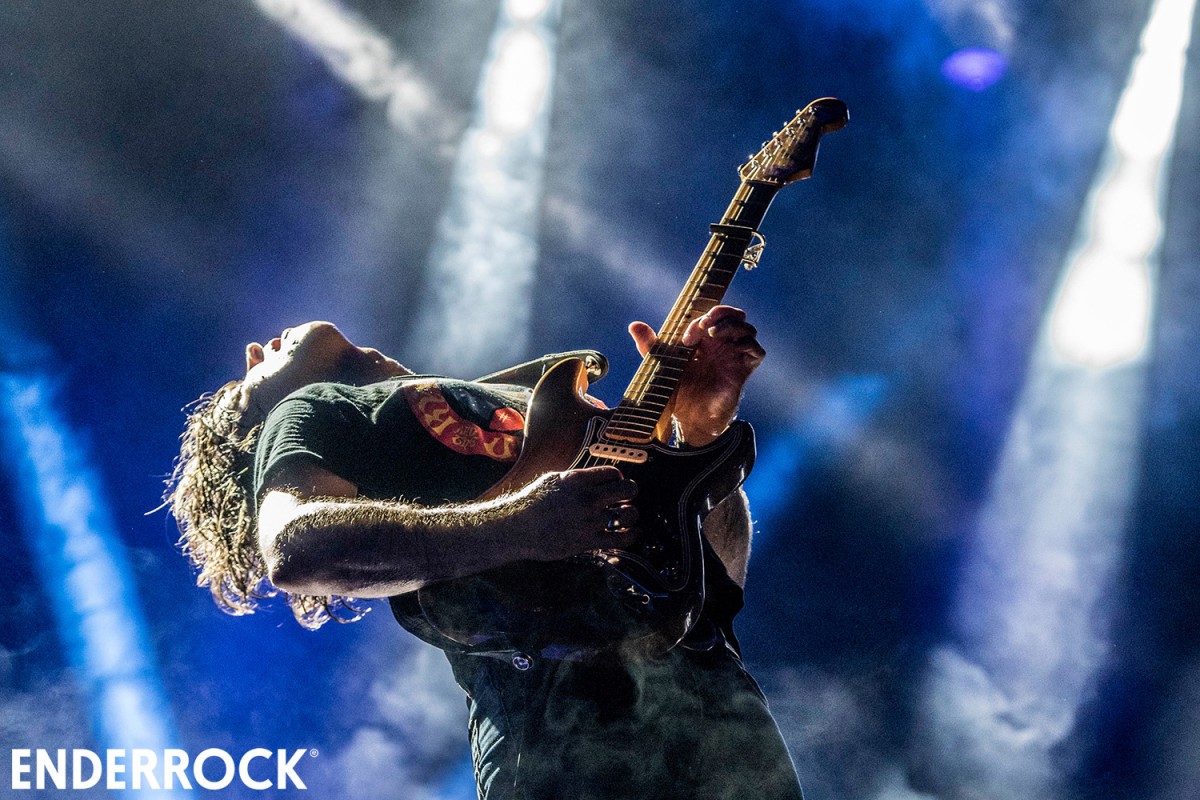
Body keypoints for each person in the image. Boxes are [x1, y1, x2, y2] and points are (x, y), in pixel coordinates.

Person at [168, 309, 802, 799]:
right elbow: (296, 547)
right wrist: (521, 525)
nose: (253, 351)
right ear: (255, 435)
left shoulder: (534, 401)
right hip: (564, 741)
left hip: (728, 727)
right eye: (243, 385)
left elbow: (718, 582)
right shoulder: (309, 410)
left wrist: (699, 432)